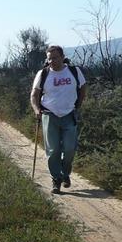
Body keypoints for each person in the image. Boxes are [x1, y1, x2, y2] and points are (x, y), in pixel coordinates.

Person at [30, 45, 87, 194]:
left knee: (69, 149)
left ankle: (65, 173)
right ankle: (56, 179)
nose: (52, 61)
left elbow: (83, 88)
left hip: (69, 115)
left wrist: (78, 105)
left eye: (55, 57)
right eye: (49, 58)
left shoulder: (74, 72)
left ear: (62, 57)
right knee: (53, 150)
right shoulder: (43, 74)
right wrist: (37, 110)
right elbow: (34, 95)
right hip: (49, 115)